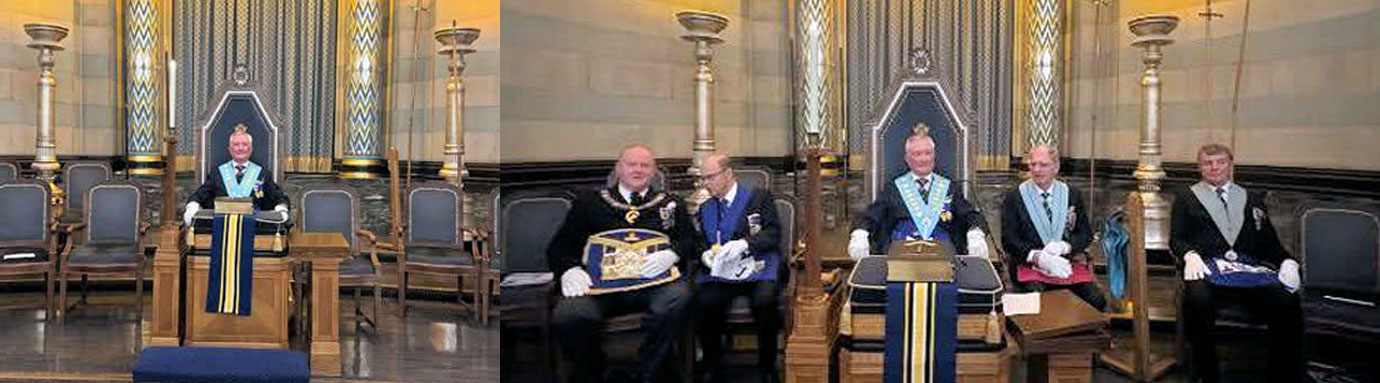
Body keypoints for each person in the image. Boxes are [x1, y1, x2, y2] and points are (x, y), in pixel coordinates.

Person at [547, 144, 698, 383]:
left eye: (645, 165)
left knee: (678, 298)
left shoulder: (670, 204)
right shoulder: (590, 203)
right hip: (601, 286)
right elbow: (561, 246)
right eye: (631, 164)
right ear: (618, 168)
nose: (638, 170)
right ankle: (593, 370)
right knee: (570, 314)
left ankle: (649, 370)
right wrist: (569, 269)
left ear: (654, 171)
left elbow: (691, 240)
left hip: (654, 284)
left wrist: (674, 253)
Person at [1171, 143, 1302, 383]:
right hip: (1207, 270)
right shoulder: (1186, 198)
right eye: (1208, 163)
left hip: (1248, 272)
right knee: (1197, 300)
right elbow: (1176, 238)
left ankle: (1284, 374)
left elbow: (1270, 244)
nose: (1214, 167)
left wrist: (1287, 262)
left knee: (1287, 299)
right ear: (1200, 168)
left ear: (1231, 166)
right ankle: (1206, 372)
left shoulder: (1251, 199)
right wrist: (1189, 254)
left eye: (1220, 162)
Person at [692, 154, 782, 383]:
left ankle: (767, 366)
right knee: (704, 301)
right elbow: (700, 241)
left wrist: (745, 244)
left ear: (728, 174)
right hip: (723, 272)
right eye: (703, 179)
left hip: (757, 267)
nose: (705, 184)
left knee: (765, 302)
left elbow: (773, 234)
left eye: (710, 177)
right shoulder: (706, 208)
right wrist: (704, 254)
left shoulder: (759, 198)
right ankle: (713, 364)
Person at [848, 127, 989, 260]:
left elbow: (970, 215)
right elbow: (871, 215)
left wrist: (976, 232)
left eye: (928, 153)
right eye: (917, 154)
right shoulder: (893, 188)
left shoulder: (949, 187)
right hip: (900, 256)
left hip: (944, 256)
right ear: (907, 159)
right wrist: (859, 232)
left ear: (934, 156)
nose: (923, 159)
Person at [1000, 145, 1105, 310]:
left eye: (1043, 165)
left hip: (1066, 263)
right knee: (1040, 303)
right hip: (1028, 266)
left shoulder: (1071, 194)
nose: (1037, 169)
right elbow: (1009, 240)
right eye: (1033, 164)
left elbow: (1085, 234)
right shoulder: (1015, 196)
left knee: (1095, 300)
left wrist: (1065, 246)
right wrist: (1038, 257)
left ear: (1056, 168)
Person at [184, 125, 289, 225]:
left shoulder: (262, 173)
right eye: (236, 144)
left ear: (251, 149)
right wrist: (192, 206)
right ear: (230, 149)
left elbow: (278, 197)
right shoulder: (217, 173)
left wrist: (281, 208)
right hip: (221, 224)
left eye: (245, 144)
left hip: (255, 226)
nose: (240, 148)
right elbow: (200, 196)